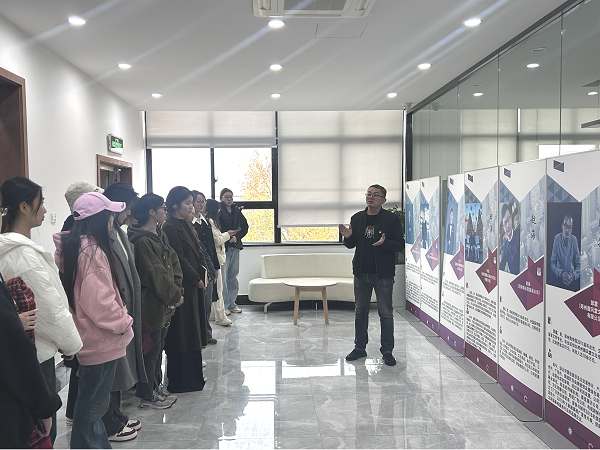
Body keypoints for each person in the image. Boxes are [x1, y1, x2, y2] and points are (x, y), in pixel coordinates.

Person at [0, 176, 82, 444]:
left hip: (29, 349)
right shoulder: (21, 254)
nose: (45, 210)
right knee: (42, 431)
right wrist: (71, 345)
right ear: (24, 207)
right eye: (41, 203)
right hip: (35, 352)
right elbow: (49, 309)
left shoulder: (16, 249)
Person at [54, 192, 134, 449]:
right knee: (91, 411)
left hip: (88, 337)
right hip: (101, 341)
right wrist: (124, 321)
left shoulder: (74, 247)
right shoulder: (92, 253)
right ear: (100, 219)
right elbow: (99, 303)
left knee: (90, 408)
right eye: (110, 216)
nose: (113, 221)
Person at [0, 196, 62, 449]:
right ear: (24, 206)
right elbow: (15, 351)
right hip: (14, 392)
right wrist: (43, 405)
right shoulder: (23, 253)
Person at [339, 184, 404, 367]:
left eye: (375, 195)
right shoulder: (357, 218)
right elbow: (351, 245)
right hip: (361, 273)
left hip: (383, 274)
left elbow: (399, 244)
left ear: (383, 200)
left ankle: (387, 351)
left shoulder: (391, 219)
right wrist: (348, 236)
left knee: (386, 313)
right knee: (360, 312)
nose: (371, 197)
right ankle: (359, 347)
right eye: (368, 194)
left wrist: (385, 242)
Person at [128, 193, 184, 409]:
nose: (165, 211)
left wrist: (177, 290)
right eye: (162, 208)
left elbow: (173, 262)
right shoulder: (142, 240)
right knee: (150, 351)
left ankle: (156, 387)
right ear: (151, 212)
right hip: (151, 303)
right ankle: (147, 395)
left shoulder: (158, 233)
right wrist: (174, 295)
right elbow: (155, 273)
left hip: (165, 302)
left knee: (158, 347)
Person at [100, 182, 146, 442]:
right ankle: (109, 423)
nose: (130, 213)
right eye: (127, 207)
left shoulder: (118, 230)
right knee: (114, 368)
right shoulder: (101, 235)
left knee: (121, 364)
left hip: (127, 308)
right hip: (115, 311)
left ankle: (117, 415)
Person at [60, 180, 104, 429]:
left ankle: (76, 413)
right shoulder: (75, 230)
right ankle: (76, 415)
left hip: (81, 307)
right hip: (82, 309)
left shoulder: (76, 227)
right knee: (83, 366)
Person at [161, 186, 206, 393]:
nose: (191, 206)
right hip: (183, 285)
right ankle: (181, 381)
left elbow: (196, 251)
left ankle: (193, 378)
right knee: (182, 332)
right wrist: (196, 277)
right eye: (187, 203)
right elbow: (178, 258)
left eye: (191, 202)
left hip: (192, 284)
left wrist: (203, 273)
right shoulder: (170, 227)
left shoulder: (184, 223)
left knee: (192, 331)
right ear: (174, 205)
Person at [192, 191, 231, 332]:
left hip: (210, 265)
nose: (201, 204)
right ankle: (201, 332)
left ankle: (207, 332)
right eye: (198, 201)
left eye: (203, 202)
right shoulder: (190, 223)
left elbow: (211, 248)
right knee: (200, 301)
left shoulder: (205, 221)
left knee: (208, 300)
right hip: (197, 267)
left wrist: (215, 266)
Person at [206, 199, 236, 327]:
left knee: (217, 288)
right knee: (218, 289)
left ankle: (214, 314)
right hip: (215, 259)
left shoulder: (211, 221)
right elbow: (216, 240)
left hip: (217, 257)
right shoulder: (210, 221)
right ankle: (220, 316)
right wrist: (227, 234)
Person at [218, 188, 248, 314]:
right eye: (226, 197)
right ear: (221, 198)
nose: (229, 199)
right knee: (223, 277)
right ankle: (224, 305)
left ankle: (232, 304)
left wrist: (237, 237)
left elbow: (245, 227)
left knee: (233, 276)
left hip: (236, 246)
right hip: (224, 247)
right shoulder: (218, 211)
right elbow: (218, 228)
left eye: (231, 197)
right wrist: (228, 235)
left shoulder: (237, 210)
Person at [550, 214, 580, 292]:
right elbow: (552, 263)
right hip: (559, 273)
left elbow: (579, 264)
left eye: (569, 227)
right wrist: (561, 274)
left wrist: (572, 276)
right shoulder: (557, 238)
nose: (567, 230)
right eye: (565, 226)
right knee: (550, 275)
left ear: (572, 229)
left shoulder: (574, 240)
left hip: (571, 274)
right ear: (562, 226)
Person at [499, 203, 520, 275]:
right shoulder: (506, 246)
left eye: (508, 219)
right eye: (505, 223)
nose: (507, 225)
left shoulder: (519, 233)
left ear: (511, 219)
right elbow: (502, 264)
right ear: (503, 228)